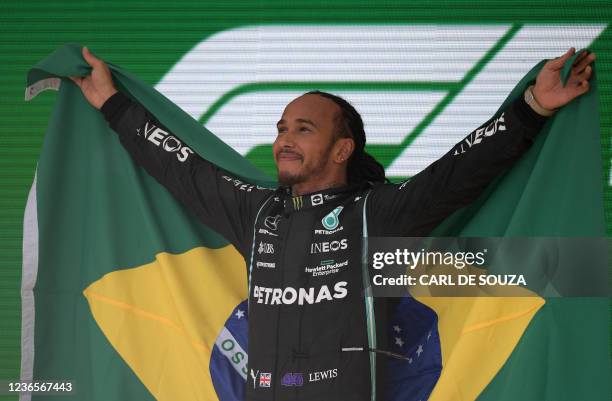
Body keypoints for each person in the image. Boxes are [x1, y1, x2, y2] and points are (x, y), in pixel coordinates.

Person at [70, 45, 595, 401]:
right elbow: (180, 165)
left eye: (303, 128)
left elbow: (457, 173)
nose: (284, 139)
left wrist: (530, 109)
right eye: (280, 128)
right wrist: (112, 104)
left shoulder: (377, 213)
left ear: (342, 148)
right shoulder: (257, 213)